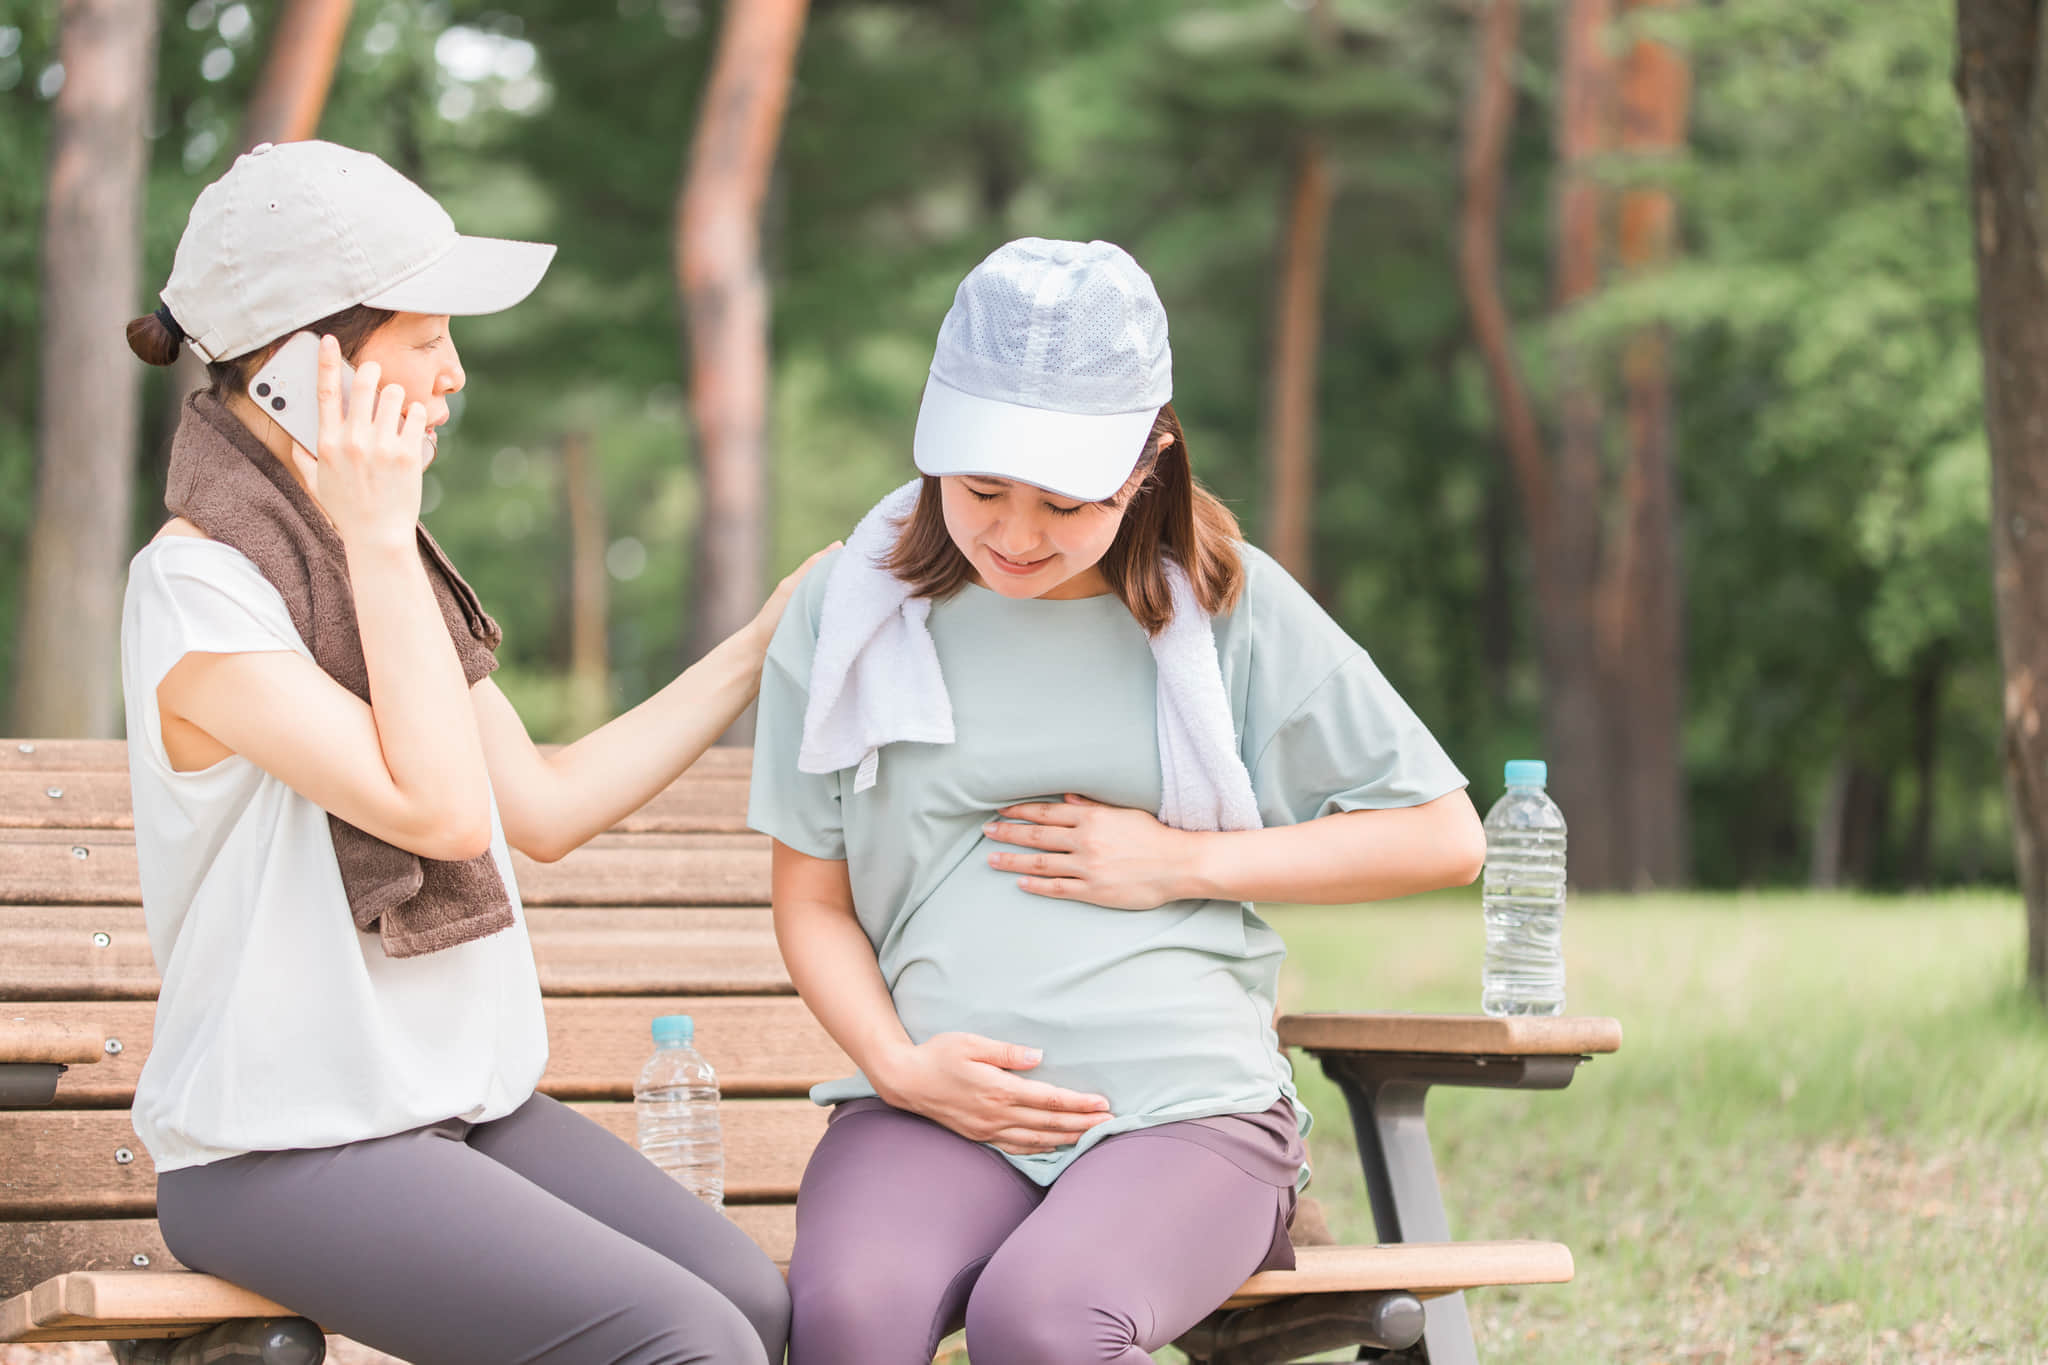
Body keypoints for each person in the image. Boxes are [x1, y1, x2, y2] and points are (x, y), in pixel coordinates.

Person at [119, 140, 823, 1365]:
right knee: (680, 1345)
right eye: (423, 337)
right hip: (282, 1149)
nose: (453, 374)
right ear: (306, 368)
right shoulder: (203, 590)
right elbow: (436, 815)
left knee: (756, 1315)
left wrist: (762, 640)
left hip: (461, 1116)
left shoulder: (377, 571)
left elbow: (540, 805)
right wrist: (381, 536)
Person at [748, 237, 1488, 1364]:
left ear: (1148, 463)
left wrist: (1183, 864)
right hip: (936, 1104)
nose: (1013, 535)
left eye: (1063, 501)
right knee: (850, 1316)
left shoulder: (1227, 604)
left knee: (1042, 1322)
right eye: (978, 488)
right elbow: (811, 900)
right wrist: (900, 1070)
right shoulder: (854, 613)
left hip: (1181, 1113)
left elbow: (1442, 835)